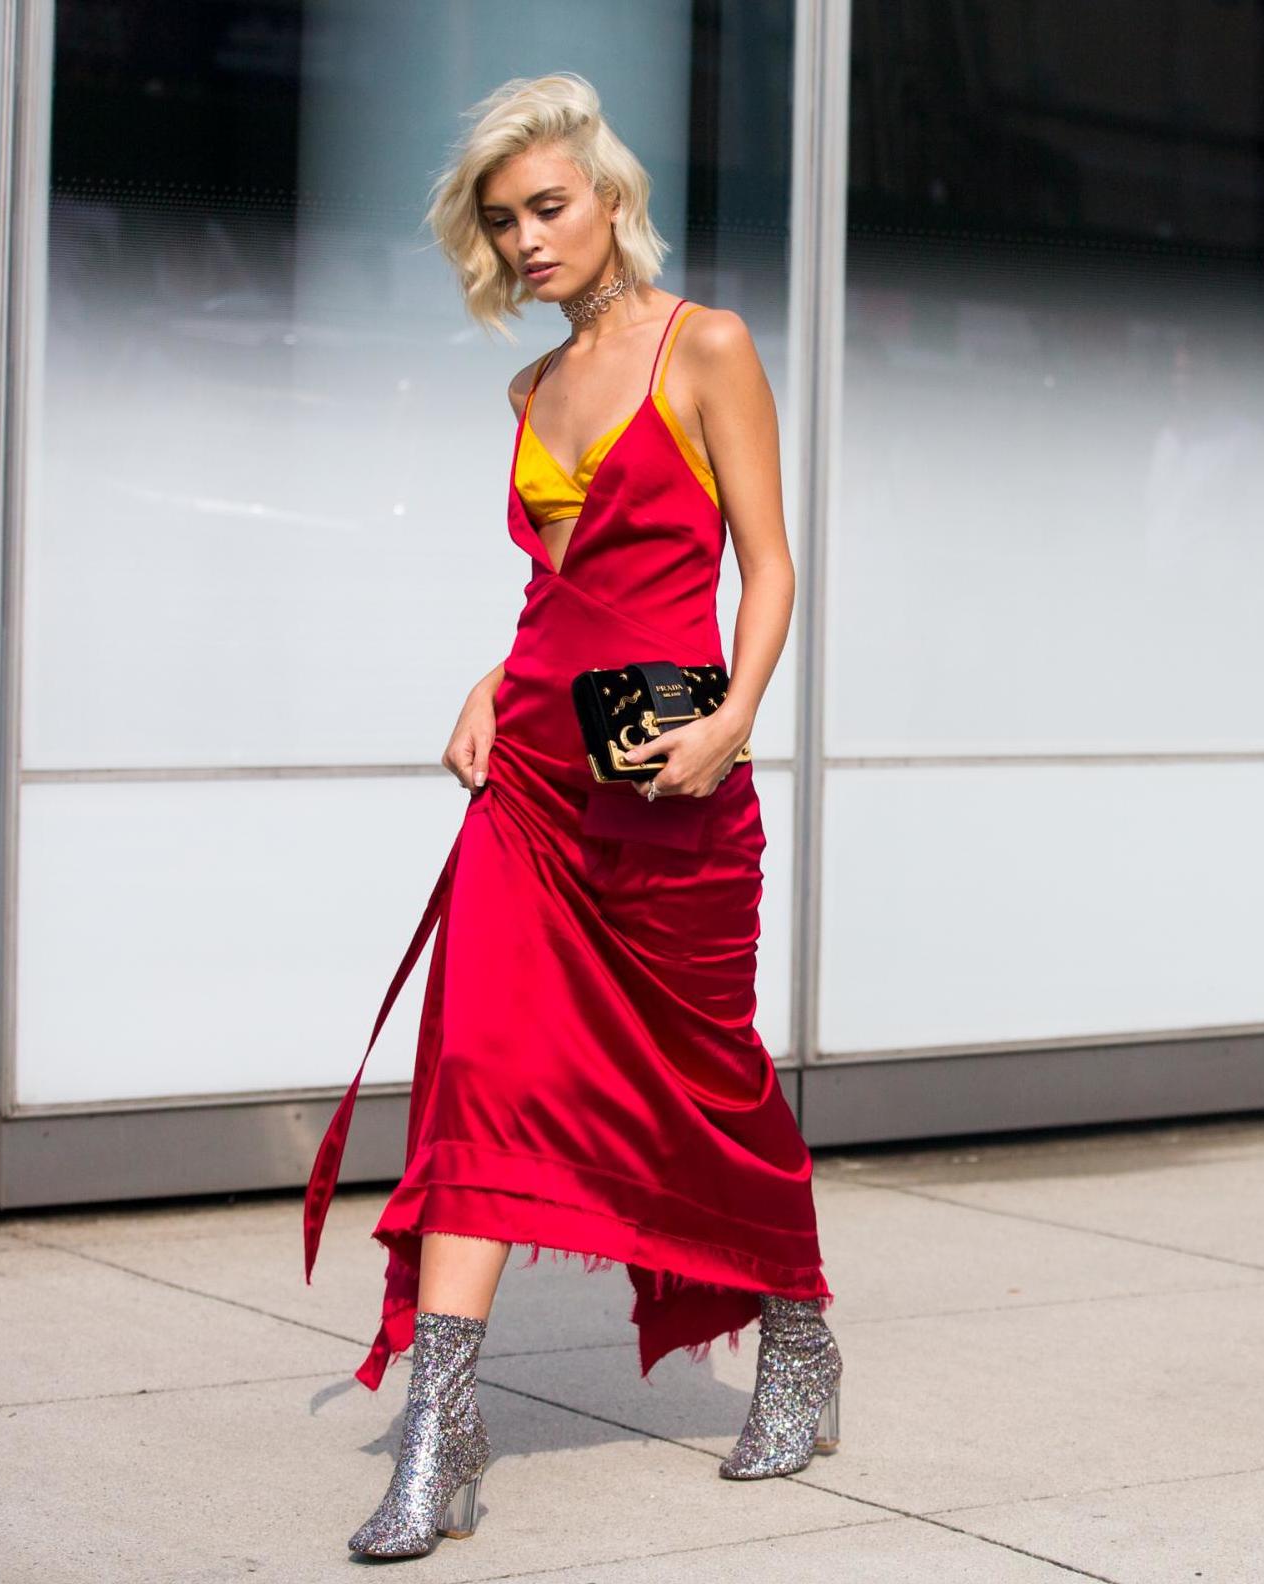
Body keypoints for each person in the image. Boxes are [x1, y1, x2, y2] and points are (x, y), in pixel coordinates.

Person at [298, 72, 840, 1561]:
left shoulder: (707, 344)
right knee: (474, 1068)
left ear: (609, 198)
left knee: (712, 1082)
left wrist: (735, 719)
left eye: (548, 206)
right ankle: (440, 1432)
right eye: (502, 222)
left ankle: (797, 1339)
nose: (528, 239)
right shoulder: (528, 394)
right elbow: (567, 591)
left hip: (677, 802)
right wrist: (494, 673)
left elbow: (772, 565)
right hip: (534, 782)